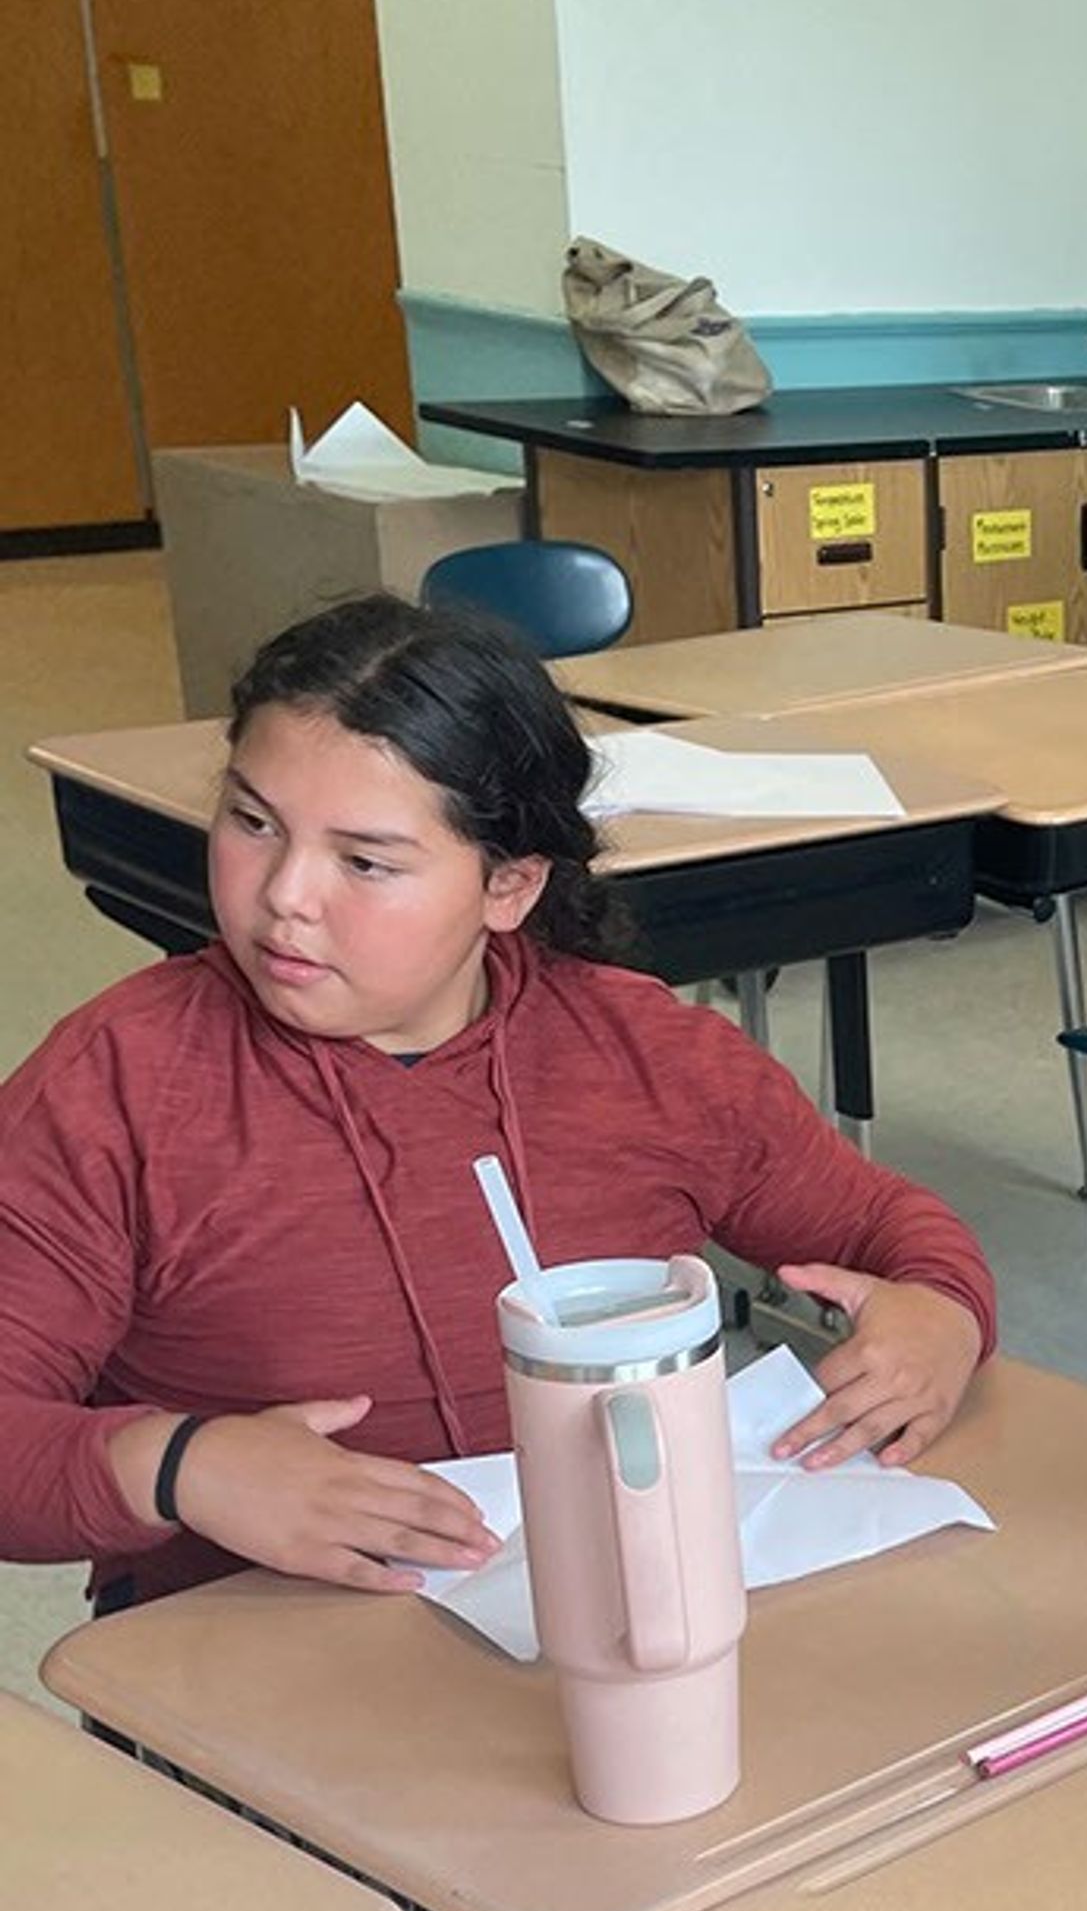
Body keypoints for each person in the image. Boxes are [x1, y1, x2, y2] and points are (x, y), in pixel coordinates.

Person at [0, 592, 997, 1609]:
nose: (284, 896)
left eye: (364, 861)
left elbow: (889, 1228)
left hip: (604, 1622)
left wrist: (942, 1316)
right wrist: (182, 1466)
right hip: (246, 1657)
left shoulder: (646, 1057)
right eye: (252, 821)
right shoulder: (117, 1086)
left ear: (509, 888)